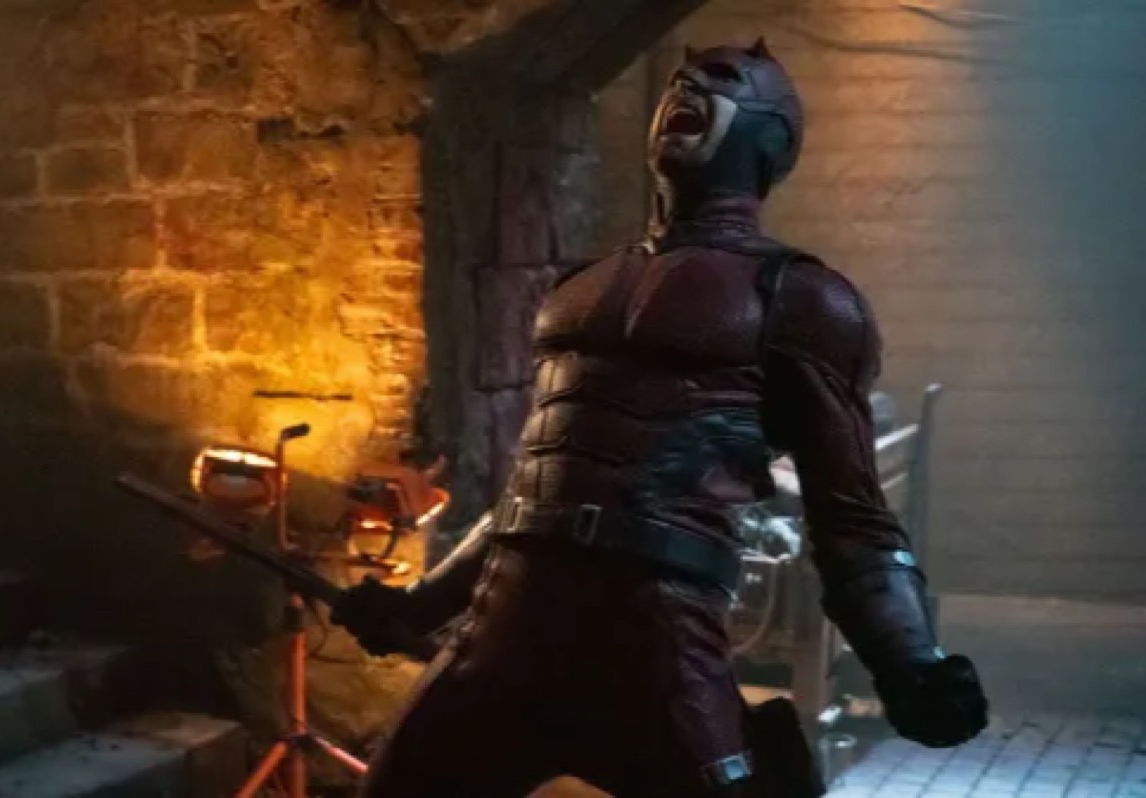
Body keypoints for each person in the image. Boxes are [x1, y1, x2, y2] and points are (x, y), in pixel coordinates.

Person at [332, 39, 988, 798]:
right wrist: (421, 607)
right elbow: (534, 499)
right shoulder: (582, 286)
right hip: (504, 635)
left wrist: (910, 662)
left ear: (770, 136)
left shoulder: (802, 299)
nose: (687, 88)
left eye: (722, 80)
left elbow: (852, 518)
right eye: (680, 80)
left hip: (659, 646)